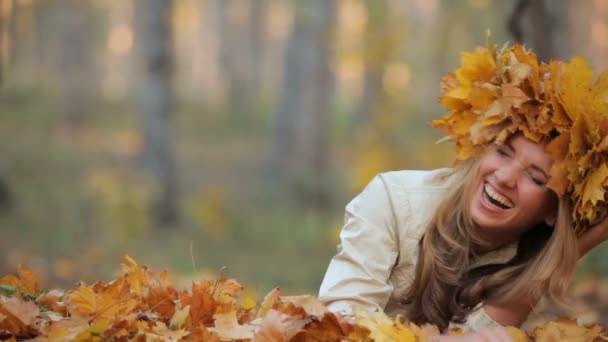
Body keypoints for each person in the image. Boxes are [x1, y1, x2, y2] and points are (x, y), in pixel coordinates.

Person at [318, 42, 608, 334]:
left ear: (553, 212)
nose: (505, 177)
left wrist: (570, 252)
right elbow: (339, 330)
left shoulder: (539, 266)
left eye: (535, 177)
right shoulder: (392, 200)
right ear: (482, 148)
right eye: (503, 152)